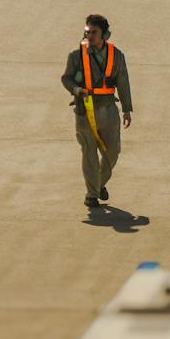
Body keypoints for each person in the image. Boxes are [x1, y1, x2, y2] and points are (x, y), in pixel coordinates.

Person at [61, 13, 132, 209]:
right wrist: (76, 90)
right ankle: (91, 195)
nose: (89, 36)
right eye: (87, 32)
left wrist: (127, 109)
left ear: (105, 35)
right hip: (84, 110)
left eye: (94, 32)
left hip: (108, 110)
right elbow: (66, 78)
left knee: (113, 153)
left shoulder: (117, 55)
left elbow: (123, 82)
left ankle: (99, 184)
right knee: (89, 152)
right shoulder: (76, 56)